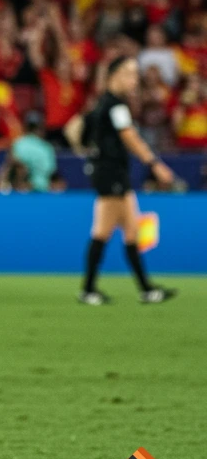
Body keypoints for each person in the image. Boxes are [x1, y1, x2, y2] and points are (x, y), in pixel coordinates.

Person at [64, 56, 176, 305]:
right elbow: (130, 137)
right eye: (129, 73)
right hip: (110, 174)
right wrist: (155, 164)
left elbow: (75, 131)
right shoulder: (115, 106)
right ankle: (89, 290)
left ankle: (146, 289)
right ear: (114, 75)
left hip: (111, 173)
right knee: (103, 231)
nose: (134, 79)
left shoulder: (102, 104)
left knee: (131, 232)